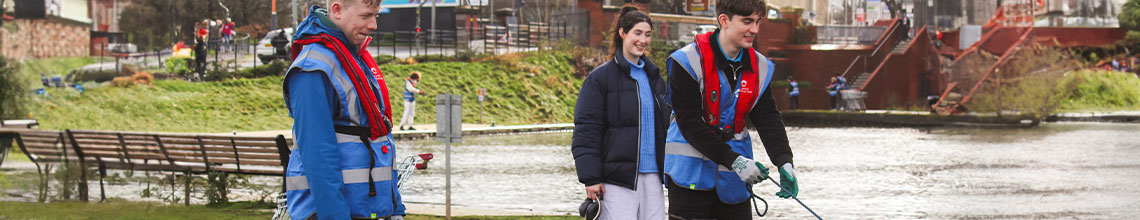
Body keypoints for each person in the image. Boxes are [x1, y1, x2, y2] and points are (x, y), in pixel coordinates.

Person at [663, 0, 798, 218]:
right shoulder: (686, 61)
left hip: (734, 183)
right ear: (724, 20)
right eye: (747, 21)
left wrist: (784, 161)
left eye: (757, 22)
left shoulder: (760, 67)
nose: (754, 29)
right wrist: (734, 160)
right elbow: (689, 124)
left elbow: (768, 118)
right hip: (690, 179)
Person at [281, 1, 405, 219]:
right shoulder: (312, 68)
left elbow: (378, 138)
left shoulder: (352, 58)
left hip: (368, 209)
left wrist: (395, 208)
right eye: (366, 16)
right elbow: (318, 155)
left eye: (376, 16)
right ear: (337, 10)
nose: (374, 25)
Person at [572, 6, 670, 220]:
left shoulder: (655, 79)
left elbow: (665, 129)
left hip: (653, 177)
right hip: (616, 181)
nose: (642, 40)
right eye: (637, 33)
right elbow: (587, 131)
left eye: (647, 35)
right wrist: (591, 178)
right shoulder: (599, 79)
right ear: (622, 33)